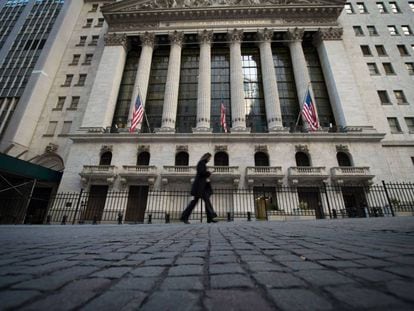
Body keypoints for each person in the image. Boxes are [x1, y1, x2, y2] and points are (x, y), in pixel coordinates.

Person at [180, 152, 218, 224]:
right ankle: (184, 217)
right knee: (195, 202)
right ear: (207, 157)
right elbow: (201, 173)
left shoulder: (202, 163)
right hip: (199, 187)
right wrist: (209, 172)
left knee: (205, 201)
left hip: (202, 187)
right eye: (209, 158)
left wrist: (207, 173)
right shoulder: (201, 163)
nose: (210, 159)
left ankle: (210, 218)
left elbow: (202, 174)